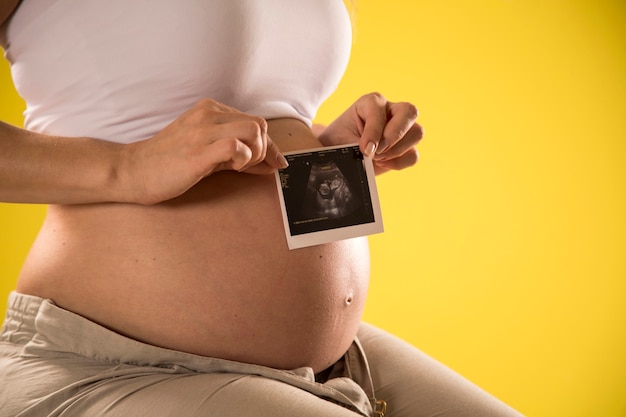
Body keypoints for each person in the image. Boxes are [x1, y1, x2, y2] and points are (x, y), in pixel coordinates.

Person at [0, 1, 524, 416]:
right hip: (116, 363)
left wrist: (321, 145)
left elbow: (252, 102)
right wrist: (128, 166)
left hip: (335, 358)